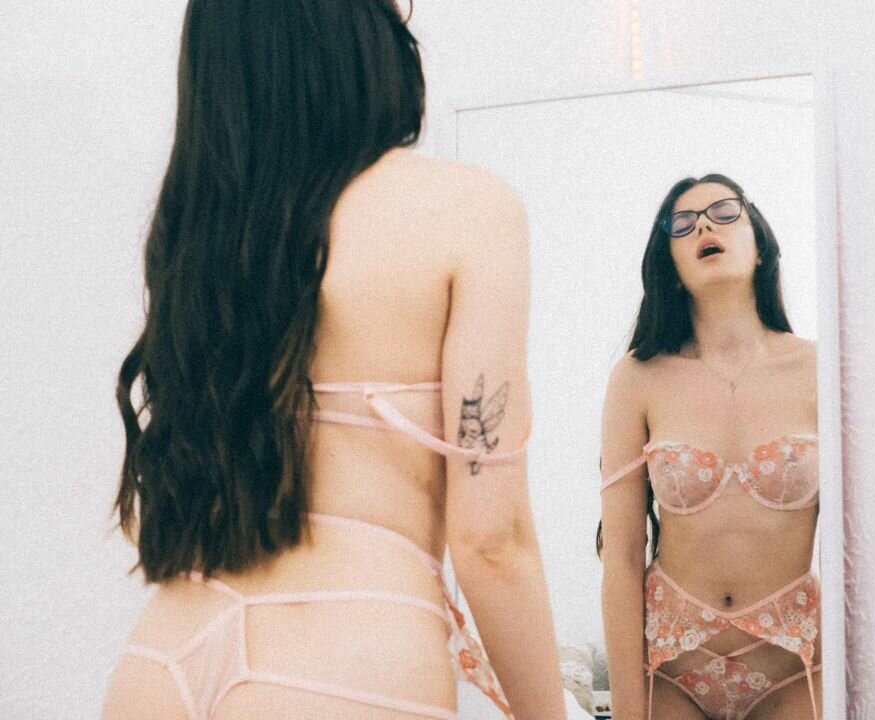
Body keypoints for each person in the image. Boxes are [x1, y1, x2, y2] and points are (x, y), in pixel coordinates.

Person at [101, 2, 566, 718]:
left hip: (162, 657)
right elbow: (491, 541)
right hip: (348, 660)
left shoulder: (207, 230)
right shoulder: (468, 208)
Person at [598, 174, 822, 720]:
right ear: (669, 264)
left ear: (760, 243)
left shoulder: (818, 368)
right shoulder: (637, 378)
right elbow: (622, 557)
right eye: (683, 223)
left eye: (724, 211)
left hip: (794, 671)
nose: (703, 226)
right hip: (670, 673)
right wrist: (627, 709)